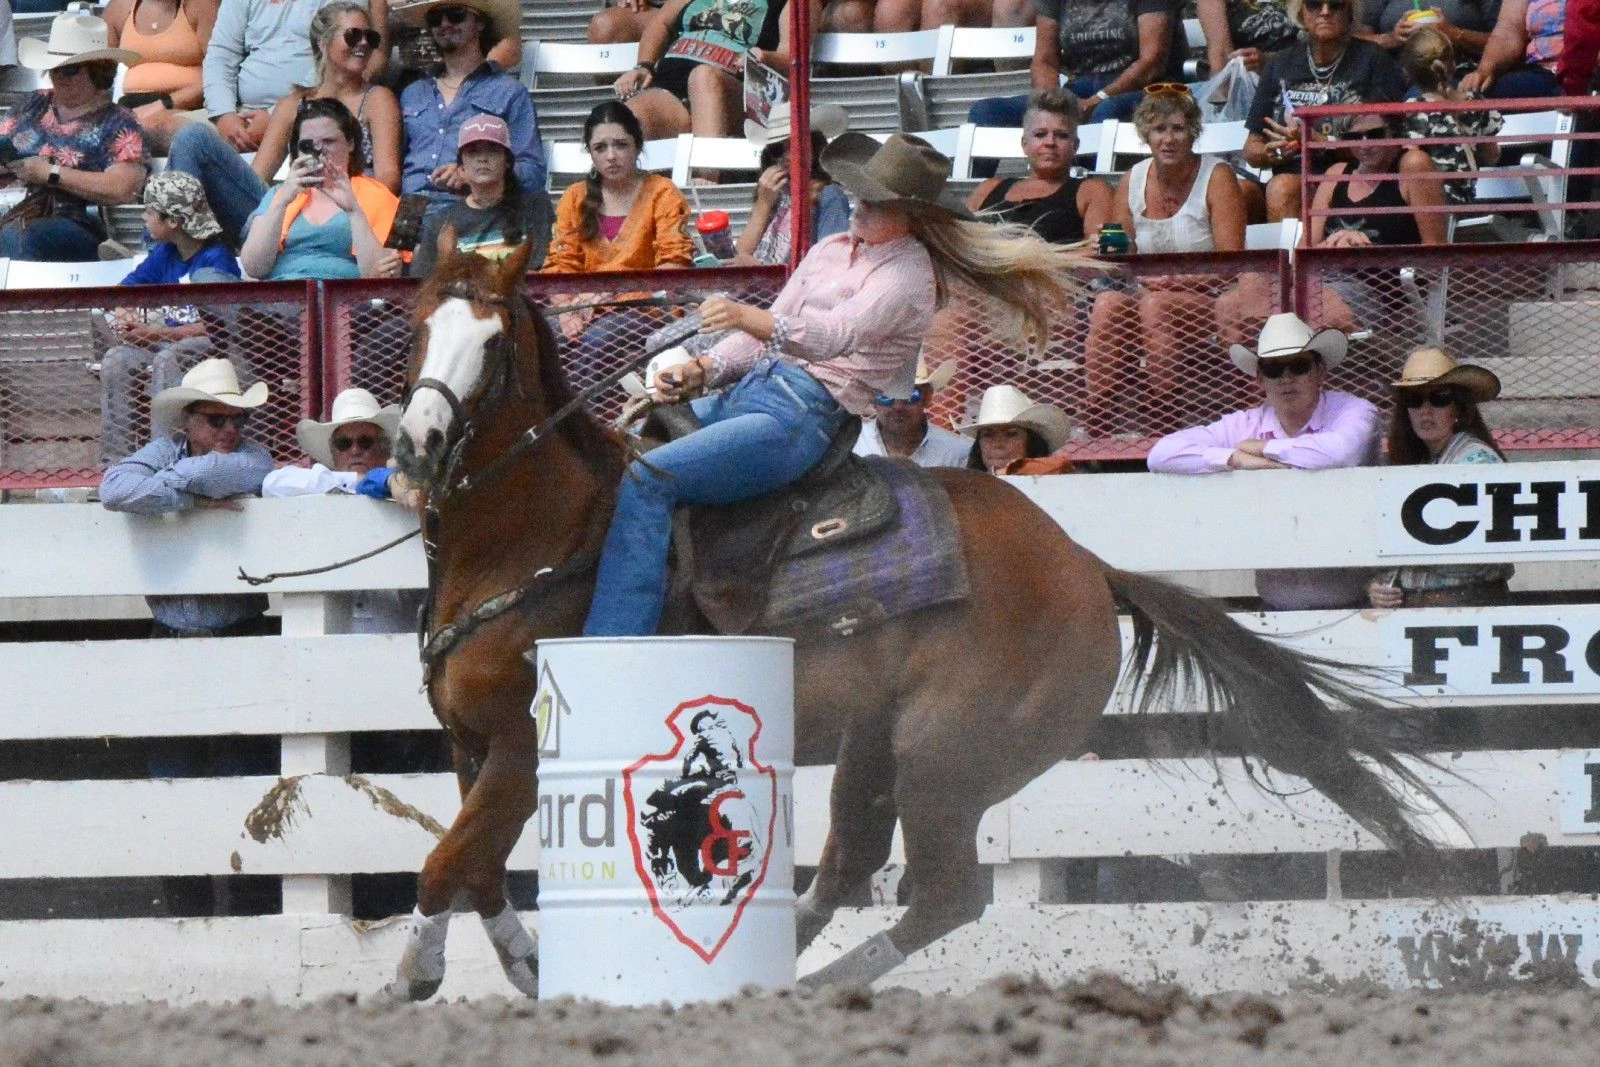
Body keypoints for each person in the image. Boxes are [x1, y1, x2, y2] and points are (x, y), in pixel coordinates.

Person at [583, 132, 1088, 636]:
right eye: (857, 193)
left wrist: (742, 315)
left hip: (801, 417)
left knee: (650, 479)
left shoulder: (908, 278)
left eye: (874, 201)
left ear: (910, 216)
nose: (857, 206)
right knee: (616, 459)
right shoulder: (829, 250)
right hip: (751, 393)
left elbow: (832, 337)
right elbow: (770, 331)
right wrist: (703, 369)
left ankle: (611, 642)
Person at [1147, 312, 1379, 610]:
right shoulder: (1246, 424)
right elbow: (1161, 454)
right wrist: (1233, 458)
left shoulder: (1356, 410)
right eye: (1273, 369)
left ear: (1319, 371)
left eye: (1298, 366)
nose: (1285, 379)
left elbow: (1339, 452)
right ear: (1260, 378)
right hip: (1276, 608)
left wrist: (1266, 448)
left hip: (1355, 606)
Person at [1082, 87, 1246, 435]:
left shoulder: (1217, 177)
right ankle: (1097, 422)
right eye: (1159, 130)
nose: (1168, 139)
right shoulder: (1132, 179)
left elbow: (1231, 264)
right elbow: (1119, 254)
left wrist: (1178, 282)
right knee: (1108, 303)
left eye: (1178, 129)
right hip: (1147, 294)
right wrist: (1106, 245)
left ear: (1193, 133)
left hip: (1210, 297)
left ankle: (1163, 422)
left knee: (1156, 306)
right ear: (1146, 134)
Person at [100, 357, 276, 637]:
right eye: (216, 420)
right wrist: (191, 501)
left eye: (238, 419)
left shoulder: (255, 457)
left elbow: (209, 472)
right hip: (167, 631)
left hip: (240, 631)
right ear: (188, 422)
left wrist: (159, 483)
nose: (230, 430)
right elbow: (113, 489)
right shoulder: (163, 449)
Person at [99, 172, 242, 463]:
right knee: (117, 358)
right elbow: (123, 291)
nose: (144, 218)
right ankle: (115, 464)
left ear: (173, 222)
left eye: (150, 211)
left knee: (169, 358)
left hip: (208, 351)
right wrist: (127, 316)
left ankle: (164, 459)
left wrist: (156, 334)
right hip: (164, 342)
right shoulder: (165, 253)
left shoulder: (217, 259)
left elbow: (221, 325)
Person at [542, 102, 694, 376]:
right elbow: (560, 265)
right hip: (582, 308)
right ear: (590, 153)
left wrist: (606, 295)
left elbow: (674, 265)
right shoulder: (575, 197)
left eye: (620, 145)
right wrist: (566, 311)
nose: (611, 156)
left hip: (646, 308)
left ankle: (582, 416)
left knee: (599, 338)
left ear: (637, 146)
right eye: (600, 148)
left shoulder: (662, 193)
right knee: (541, 333)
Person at [965, 0, 1187, 179]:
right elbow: (1044, 60)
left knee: (1103, 113)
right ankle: (969, 212)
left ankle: (1081, 197)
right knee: (986, 112)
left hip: (1145, 89)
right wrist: (1056, 102)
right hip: (1079, 86)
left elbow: (1152, 61)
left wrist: (1098, 98)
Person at [1368, 347, 1513, 608]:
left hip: (1466, 609)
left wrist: (1403, 554)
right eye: (1414, 399)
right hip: (1424, 613)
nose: (1426, 410)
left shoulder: (1476, 462)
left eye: (1439, 398)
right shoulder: (1421, 461)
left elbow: (1468, 560)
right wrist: (1379, 585)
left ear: (1458, 406)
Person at [0, 13, 149, 261]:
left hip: (79, 222)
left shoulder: (119, 121)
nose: (59, 76)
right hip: (14, 208)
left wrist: (51, 174)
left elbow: (121, 188)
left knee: (16, 236)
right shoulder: (34, 102)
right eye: (54, 67)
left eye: (70, 69)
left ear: (98, 72)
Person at [1244, 0, 1407, 222]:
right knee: (1255, 189)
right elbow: (1251, 149)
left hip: (1354, 177)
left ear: (1350, 13)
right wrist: (1274, 153)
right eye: (1314, 4)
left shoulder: (1373, 59)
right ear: (1301, 13)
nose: (1325, 12)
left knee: (1283, 187)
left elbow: (1390, 142)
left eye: (1336, 5)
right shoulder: (1279, 64)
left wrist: (1318, 141)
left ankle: (1296, 257)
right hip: (1291, 173)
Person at [397, 0, 545, 218]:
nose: (445, 24)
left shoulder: (509, 92)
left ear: (480, 23)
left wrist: (472, 175)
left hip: (474, 208)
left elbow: (533, 172)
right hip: (410, 213)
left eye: (456, 15)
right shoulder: (412, 92)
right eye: (435, 19)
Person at [1307, 110, 1447, 332]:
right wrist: (1336, 242)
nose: (1364, 144)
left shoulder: (1413, 165)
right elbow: (1304, 251)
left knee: (1306, 314)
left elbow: (1435, 254)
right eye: (1354, 137)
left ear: (1393, 131)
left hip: (1379, 291)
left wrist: (1368, 251)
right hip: (1323, 281)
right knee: (1250, 299)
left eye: (1374, 134)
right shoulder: (1335, 174)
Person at [238, 97, 401, 281]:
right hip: (283, 297)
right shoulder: (279, 195)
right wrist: (282, 202)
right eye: (307, 145)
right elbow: (253, 267)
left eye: (329, 141)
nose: (319, 151)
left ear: (350, 143)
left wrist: (354, 211)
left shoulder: (378, 195)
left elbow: (382, 276)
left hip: (343, 300)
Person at [612, 0, 820, 141]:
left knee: (704, 77)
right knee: (628, 120)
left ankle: (708, 181)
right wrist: (644, 65)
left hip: (740, 91)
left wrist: (763, 57)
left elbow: (793, 58)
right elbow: (660, 22)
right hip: (673, 87)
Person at [251, 1, 401, 195]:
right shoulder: (292, 105)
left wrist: (340, 205)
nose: (363, 43)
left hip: (355, 210)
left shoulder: (378, 99)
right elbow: (256, 178)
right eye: (353, 35)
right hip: (298, 209)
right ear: (323, 42)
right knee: (200, 139)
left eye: (370, 37)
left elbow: (388, 179)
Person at [966, 88, 1114, 245]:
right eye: (1040, 134)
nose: (1050, 142)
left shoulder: (1091, 191)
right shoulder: (988, 189)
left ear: (1075, 146)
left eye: (1062, 135)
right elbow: (959, 244)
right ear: (1024, 144)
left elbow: (1099, 254)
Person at [412, 114, 553, 276]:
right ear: (461, 168)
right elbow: (424, 283)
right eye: (473, 152)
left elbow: (542, 274)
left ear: (507, 162)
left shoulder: (535, 207)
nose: (482, 159)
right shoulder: (440, 221)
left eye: (492, 151)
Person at [734, 101, 852, 266]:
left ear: (814, 147)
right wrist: (763, 205)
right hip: (758, 287)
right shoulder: (772, 191)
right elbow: (741, 252)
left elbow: (829, 263)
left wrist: (760, 270)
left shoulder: (828, 196)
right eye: (777, 149)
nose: (787, 156)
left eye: (795, 145)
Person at [263, 387, 423, 508]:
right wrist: (363, 480)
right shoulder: (318, 486)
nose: (354, 450)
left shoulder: (407, 484)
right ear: (333, 454)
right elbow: (272, 485)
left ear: (385, 449)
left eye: (365, 442)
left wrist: (393, 481)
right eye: (344, 444)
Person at [1401, 25, 1502, 205]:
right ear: (1453, 64)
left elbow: (1410, 164)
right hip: (1469, 200)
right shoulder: (1476, 102)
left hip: (1436, 205)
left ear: (1407, 72)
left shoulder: (1413, 111)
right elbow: (1492, 156)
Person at [103, 0, 216, 137]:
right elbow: (99, 75)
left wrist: (164, 104)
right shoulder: (118, 8)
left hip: (190, 106)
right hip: (131, 106)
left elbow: (220, 75)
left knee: (143, 129)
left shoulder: (202, 5)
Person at [852, 358, 973, 467]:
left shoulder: (957, 454)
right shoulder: (850, 445)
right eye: (886, 396)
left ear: (927, 397)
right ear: (872, 399)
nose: (898, 406)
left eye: (910, 395)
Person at [959, 383, 1076, 474]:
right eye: (988, 435)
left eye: (1011, 434)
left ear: (1031, 442)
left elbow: (1061, 466)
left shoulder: (1052, 476)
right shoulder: (966, 487)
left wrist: (1006, 472)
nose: (998, 444)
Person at [1458, 0, 1563, 98]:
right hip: (1540, 72)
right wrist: (1484, 71)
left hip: (1573, 70)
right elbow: (1508, 32)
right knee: (1473, 94)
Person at [1358, 0, 1499, 61]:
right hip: (1394, 75)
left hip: (1458, 72)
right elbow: (1356, 37)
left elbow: (1506, 41)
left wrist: (1453, 33)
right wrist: (1392, 38)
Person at [1196, 0, 1302, 77]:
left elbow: (1315, 46)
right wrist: (1223, 102)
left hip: (1302, 71)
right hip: (1246, 79)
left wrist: (1269, 61)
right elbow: (1220, 55)